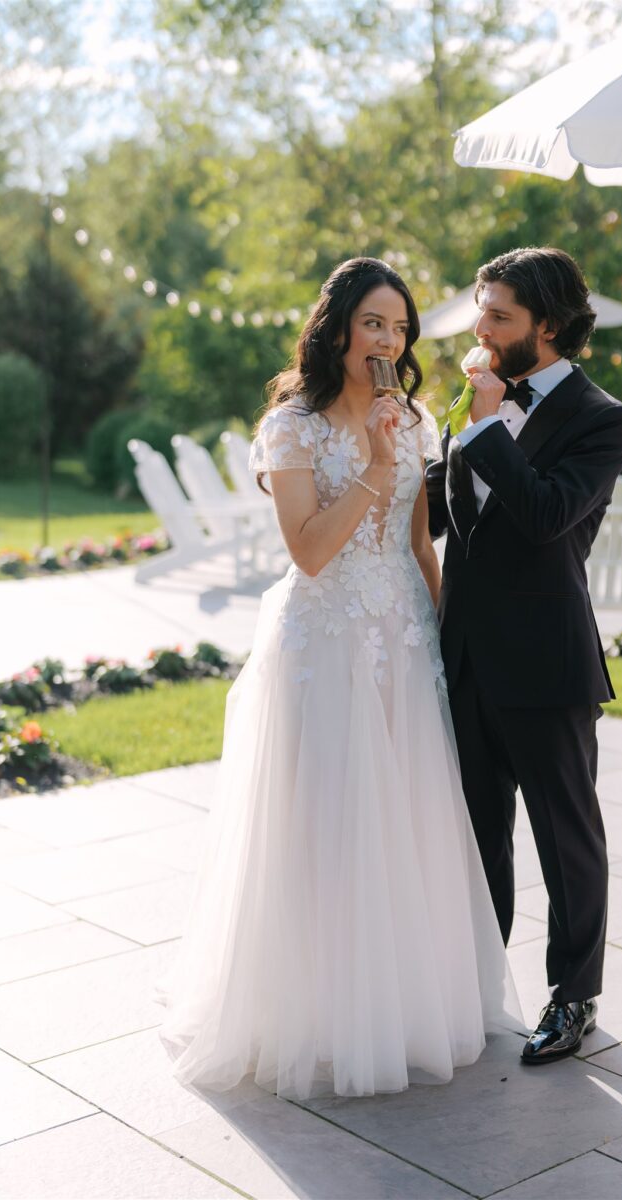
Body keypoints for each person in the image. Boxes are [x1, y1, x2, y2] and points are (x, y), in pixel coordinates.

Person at [157, 257, 524, 1101]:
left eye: (399, 328)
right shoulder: (294, 428)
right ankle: (318, 1013)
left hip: (403, 638)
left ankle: (403, 1002)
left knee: (407, 820)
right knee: (326, 822)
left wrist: (447, 638)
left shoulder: (421, 420)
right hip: (323, 644)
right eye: (373, 325)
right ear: (338, 329)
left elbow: (420, 544)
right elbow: (311, 552)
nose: (387, 342)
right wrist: (371, 460)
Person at [425, 246, 622, 1065]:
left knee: (565, 837)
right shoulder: (470, 401)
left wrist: (483, 428)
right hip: (466, 654)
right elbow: (442, 515)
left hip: (547, 664)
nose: (479, 328)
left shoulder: (600, 418)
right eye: (481, 310)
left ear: (547, 326)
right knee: (480, 835)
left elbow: (548, 516)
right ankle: (480, 985)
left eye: (498, 315)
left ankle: (573, 996)